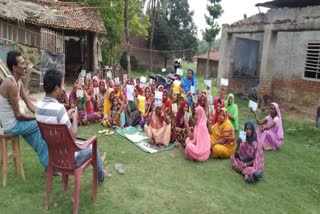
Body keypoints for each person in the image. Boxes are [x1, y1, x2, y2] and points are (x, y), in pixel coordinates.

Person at [35, 69, 108, 182]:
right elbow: (73, 136)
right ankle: (101, 175)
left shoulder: (38, 107)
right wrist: (74, 118)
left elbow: (54, 123)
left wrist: (66, 115)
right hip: (68, 159)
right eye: (62, 85)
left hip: (53, 157)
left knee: (85, 145)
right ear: (56, 88)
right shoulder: (59, 109)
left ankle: (100, 168)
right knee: (93, 148)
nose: (63, 89)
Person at [0, 51, 48, 169]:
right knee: (40, 124)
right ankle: (49, 164)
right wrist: (37, 118)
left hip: (16, 123)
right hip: (11, 126)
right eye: (22, 63)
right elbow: (18, 115)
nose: (25, 65)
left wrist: (43, 113)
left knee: (36, 130)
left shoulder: (18, 82)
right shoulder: (10, 84)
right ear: (14, 67)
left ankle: (48, 164)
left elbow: (29, 104)